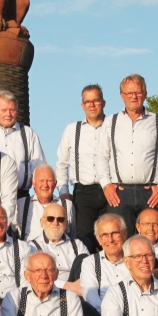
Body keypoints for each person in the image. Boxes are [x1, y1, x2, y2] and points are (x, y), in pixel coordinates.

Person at [96, 74, 158, 234]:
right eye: (129, 93)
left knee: (150, 239)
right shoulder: (111, 122)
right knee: (121, 239)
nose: (134, 96)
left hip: (150, 193)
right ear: (122, 96)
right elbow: (102, 155)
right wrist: (106, 185)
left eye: (138, 92)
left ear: (145, 94)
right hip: (119, 193)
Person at [0, 90, 45, 222]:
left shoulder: (28, 134)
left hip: (20, 198)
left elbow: (40, 169)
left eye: (12, 110)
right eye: (4, 110)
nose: (8, 114)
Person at [62, 213, 129, 316]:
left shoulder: (134, 259)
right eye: (104, 235)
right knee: (83, 306)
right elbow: (91, 297)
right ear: (98, 239)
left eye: (115, 233)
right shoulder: (90, 262)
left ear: (124, 234)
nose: (110, 239)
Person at [55, 84, 107, 251]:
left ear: (103, 102)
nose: (91, 105)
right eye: (87, 102)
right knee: (84, 242)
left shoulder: (113, 126)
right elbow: (62, 163)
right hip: (84, 193)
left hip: (110, 191)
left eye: (95, 100)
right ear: (82, 105)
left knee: (111, 237)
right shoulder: (72, 130)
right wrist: (63, 190)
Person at [28, 202, 89, 288]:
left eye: (60, 219)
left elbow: (90, 273)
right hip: (47, 290)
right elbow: (31, 278)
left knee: (82, 259)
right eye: (50, 218)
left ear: (66, 223)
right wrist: (68, 286)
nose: (55, 223)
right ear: (41, 222)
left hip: (77, 290)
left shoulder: (78, 245)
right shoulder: (31, 247)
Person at [15, 164, 71, 241]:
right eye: (41, 180)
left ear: (55, 184)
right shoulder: (21, 205)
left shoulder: (67, 205)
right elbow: (13, 233)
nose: (45, 185)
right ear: (33, 183)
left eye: (49, 181)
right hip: (30, 248)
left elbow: (72, 236)